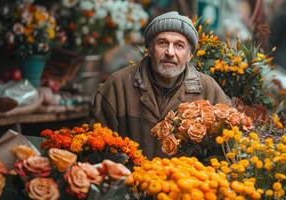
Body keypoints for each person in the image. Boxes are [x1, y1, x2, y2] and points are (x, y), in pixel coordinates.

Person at [90, 11, 231, 158]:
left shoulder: (209, 89)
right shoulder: (118, 85)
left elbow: (229, 145)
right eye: (162, 43)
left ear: (189, 55)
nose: (170, 52)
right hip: (131, 179)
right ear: (149, 50)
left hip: (187, 179)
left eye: (179, 45)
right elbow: (96, 147)